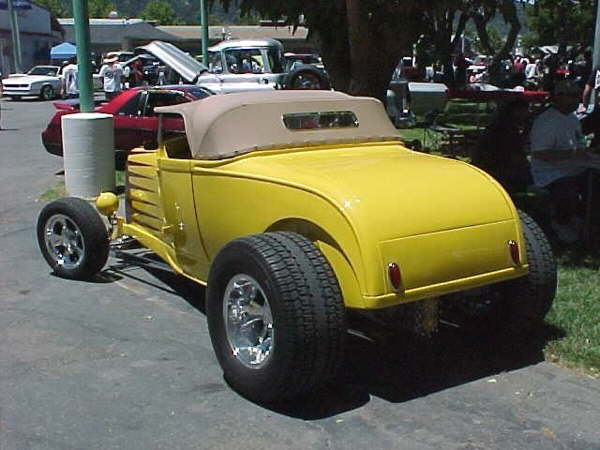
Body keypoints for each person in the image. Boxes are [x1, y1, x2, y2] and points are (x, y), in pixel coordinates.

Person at [530, 79, 598, 242]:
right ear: (558, 97)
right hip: (551, 172)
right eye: (572, 95)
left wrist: (587, 152)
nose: (577, 99)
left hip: (575, 165)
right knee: (569, 187)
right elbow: (541, 155)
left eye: (577, 95)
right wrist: (573, 154)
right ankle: (562, 222)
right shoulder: (547, 121)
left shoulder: (572, 118)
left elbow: (579, 144)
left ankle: (589, 221)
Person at [472, 96, 532, 193]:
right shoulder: (506, 130)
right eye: (525, 110)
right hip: (497, 171)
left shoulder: (499, 126)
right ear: (516, 111)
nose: (528, 114)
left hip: (489, 168)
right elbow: (513, 157)